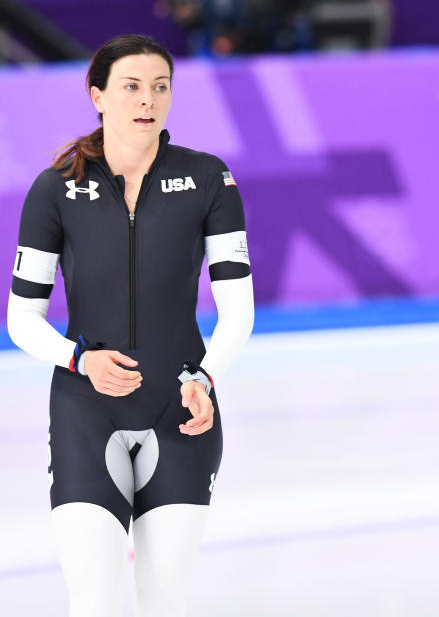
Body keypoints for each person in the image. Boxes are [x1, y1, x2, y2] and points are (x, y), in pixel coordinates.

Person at [7, 34, 254, 616]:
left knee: (164, 603)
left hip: (181, 408)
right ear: (97, 95)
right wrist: (79, 360)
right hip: (86, 411)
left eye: (160, 87)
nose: (148, 100)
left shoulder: (208, 179)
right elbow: (22, 317)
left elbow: (237, 309)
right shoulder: (56, 189)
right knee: (93, 602)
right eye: (132, 87)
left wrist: (206, 377)